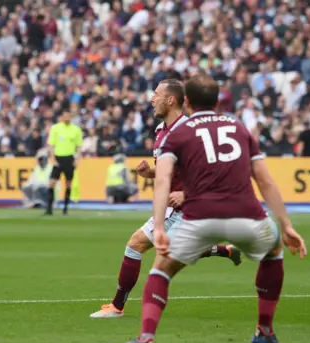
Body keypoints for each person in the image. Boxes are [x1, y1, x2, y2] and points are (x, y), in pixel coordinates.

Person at [115, 74, 307, 343]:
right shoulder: (240, 128)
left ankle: (145, 339)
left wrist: (158, 225)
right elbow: (265, 181)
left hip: (198, 218)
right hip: (247, 216)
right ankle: (265, 331)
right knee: (274, 250)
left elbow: (163, 180)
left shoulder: (177, 133)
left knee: (161, 270)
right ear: (217, 101)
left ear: (187, 101)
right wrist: (286, 224)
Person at [90, 79, 242, 319]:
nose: (152, 98)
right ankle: (226, 251)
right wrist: (149, 172)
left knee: (142, 247)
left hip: (190, 208)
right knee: (154, 246)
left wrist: (185, 193)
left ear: (171, 100)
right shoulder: (161, 131)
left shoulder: (192, 132)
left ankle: (123, 313)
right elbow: (168, 172)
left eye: (156, 94)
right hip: (174, 209)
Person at [45, 111, 83, 215]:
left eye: (68, 116)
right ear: (61, 117)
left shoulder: (76, 129)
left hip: (69, 158)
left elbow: (78, 146)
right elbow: (51, 145)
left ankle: (65, 208)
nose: (67, 118)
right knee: (51, 183)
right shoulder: (56, 128)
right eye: (65, 116)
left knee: (68, 184)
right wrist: (53, 158)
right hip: (58, 158)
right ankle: (49, 209)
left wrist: (77, 159)